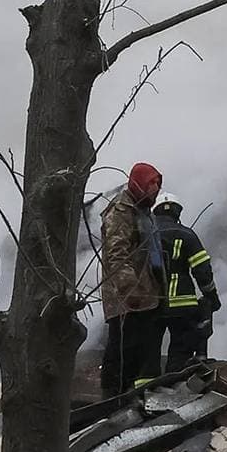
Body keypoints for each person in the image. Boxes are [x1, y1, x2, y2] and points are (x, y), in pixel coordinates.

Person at [101, 162, 165, 398]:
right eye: (152, 183)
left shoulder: (143, 212)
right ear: (138, 183)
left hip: (147, 295)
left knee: (139, 350)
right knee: (121, 350)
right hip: (126, 299)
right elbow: (116, 255)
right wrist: (130, 290)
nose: (156, 188)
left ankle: (127, 395)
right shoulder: (121, 210)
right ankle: (112, 397)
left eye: (158, 183)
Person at [147, 193, 220, 378]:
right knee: (180, 350)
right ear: (177, 212)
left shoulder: (146, 235)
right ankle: (174, 386)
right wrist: (212, 298)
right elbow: (202, 271)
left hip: (151, 304)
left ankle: (148, 393)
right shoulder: (187, 234)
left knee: (149, 351)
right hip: (182, 304)